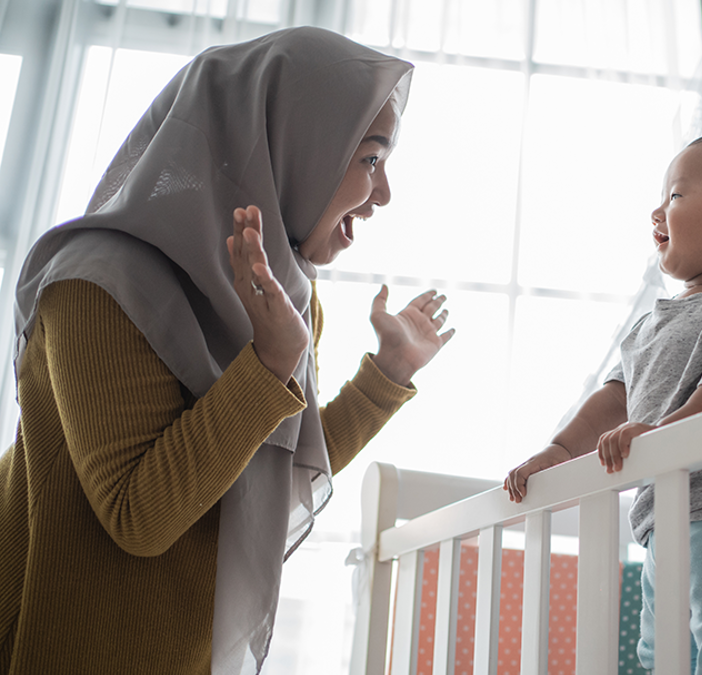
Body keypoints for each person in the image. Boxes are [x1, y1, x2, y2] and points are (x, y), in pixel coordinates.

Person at [0, 27, 454, 674]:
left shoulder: (284, 297)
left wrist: (389, 372)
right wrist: (269, 363)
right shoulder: (93, 285)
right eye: (372, 160)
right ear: (296, 148)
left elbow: (273, 457)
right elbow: (138, 516)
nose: (382, 195)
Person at [504, 132, 702, 674]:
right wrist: (558, 450)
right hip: (661, 515)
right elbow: (616, 397)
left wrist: (660, 433)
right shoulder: (654, 321)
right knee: (660, 649)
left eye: (676, 196)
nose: (657, 210)